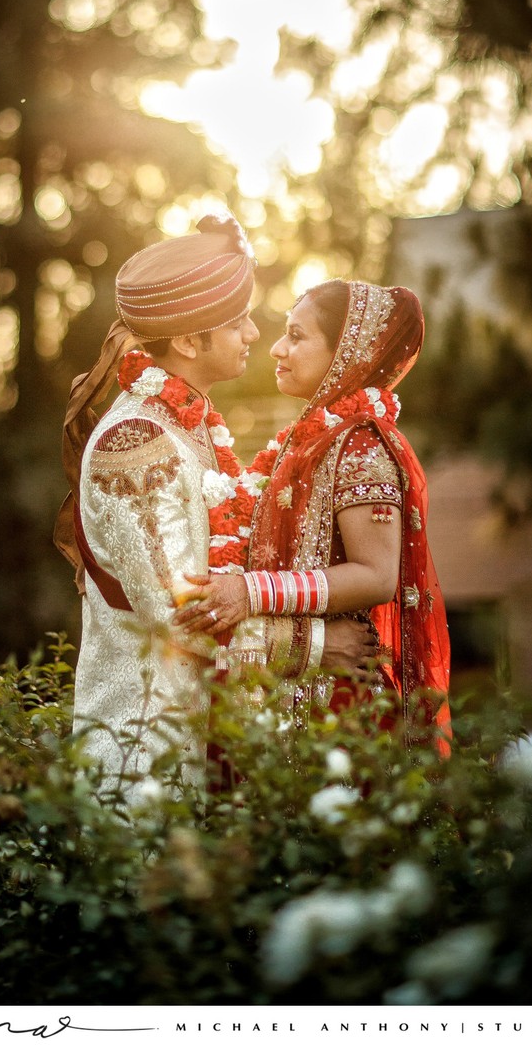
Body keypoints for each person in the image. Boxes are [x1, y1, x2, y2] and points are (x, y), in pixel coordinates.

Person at [55, 222, 376, 799]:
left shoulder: (187, 428)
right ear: (186, 342)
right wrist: (322, 648)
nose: (256, 333)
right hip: (140, 767)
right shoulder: (135, 442)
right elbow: (181, 613)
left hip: (200, 756)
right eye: (238, 321)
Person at [175, 279, 451, 745]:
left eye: (297, 336)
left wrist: (250, 592)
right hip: (295, 692)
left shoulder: (362, 442)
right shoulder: (312, 441)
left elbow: (377, 574)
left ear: (348, 350)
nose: (278, 349)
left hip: (340, 707)